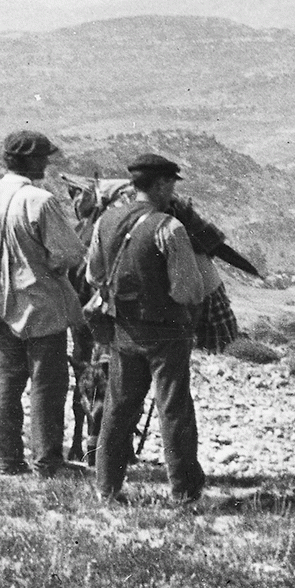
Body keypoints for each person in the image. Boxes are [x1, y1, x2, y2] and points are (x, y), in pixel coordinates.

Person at [0, 130, 85, 476]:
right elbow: (70, 252)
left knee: (7, 384)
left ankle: (6, 458)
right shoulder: (39, 200)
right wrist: (50, 268)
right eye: (43, 157)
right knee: (47, 384)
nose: (46, 162)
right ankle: (47, 461)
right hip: (41, 303)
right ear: (31, 161)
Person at [87, 153, 207, 506]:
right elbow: (188, 290)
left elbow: (94, 274)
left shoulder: (105, 222)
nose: (172, 191)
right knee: (174, 409)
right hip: (167, 333)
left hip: (124, 330)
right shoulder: (169, 228)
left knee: (119, 406)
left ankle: (106, 487)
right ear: (159, 184)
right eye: (169, 183)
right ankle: (184, 492)